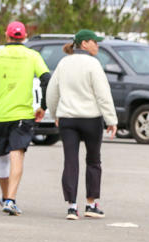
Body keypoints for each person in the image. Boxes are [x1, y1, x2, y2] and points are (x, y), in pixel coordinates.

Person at [0, 21, 50, 216]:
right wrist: (43, 106)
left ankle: (6, 197)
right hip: (22, 114)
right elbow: (47, 80)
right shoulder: (32, 56)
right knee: (17, 154)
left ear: (7, 35)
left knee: (2, 157)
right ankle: (10, 200)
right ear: (24, 37)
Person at [46, 30, 117, 220]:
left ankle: (72, 206)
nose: (97, 45)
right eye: (95, 42)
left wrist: (55, 112)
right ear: (84, 43)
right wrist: (111, 120)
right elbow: (103, 94)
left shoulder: (63, 63)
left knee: (70, 161)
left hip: (67, 118)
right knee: (93, 160)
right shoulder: (93, 64)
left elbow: (52, 92)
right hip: (90, 119)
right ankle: (91, 204)